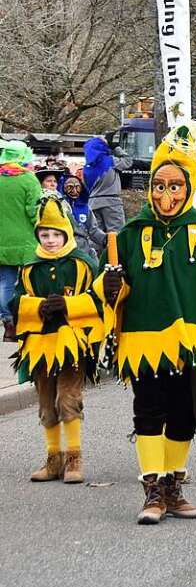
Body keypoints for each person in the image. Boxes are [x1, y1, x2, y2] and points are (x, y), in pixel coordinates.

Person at [99, 121, 196, 525]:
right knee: (148, 410)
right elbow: (114, 288)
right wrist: (112, 284)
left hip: (194, 340)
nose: (166, 195)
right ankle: (152, 490)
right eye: (159, 186)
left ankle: (173, 486)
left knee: (184, 413)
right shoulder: (133, 234)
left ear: (188, 188)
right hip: (143, 341)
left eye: (174, 187)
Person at [11, 193, 105, 484]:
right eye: (44, 234)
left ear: (66, 234)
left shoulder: (82, 264)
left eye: (56, 234)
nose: (50, 240)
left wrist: (69, 306)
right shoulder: (30, 267)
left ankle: (74, 458)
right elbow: (15, 302)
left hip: (72, 343)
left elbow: (98, 299)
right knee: (45, 404)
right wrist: (36, 307)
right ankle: (53, 459)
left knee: (68, 399)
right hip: (40, 344)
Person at [0, 140, 43, 342]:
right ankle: (27, 319)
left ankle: (8, 323)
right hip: (26, 240)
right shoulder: (28, 179)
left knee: (5, 282)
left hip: (2, 241)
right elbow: (33, 211)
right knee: (29, 280)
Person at [82, 135, 131, 235]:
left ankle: (97, 251)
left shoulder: (87, 168)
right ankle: (115, 251)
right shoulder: (110, 161)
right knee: (116, 234)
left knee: (96, 235)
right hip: (111, 202)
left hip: (93, 203)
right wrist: (116, 148)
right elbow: (128, 161)